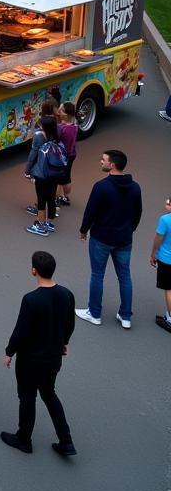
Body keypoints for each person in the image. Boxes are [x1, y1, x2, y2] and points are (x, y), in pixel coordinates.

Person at [0, 251, 77, 456]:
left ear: (34, 270)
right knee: (49, 394)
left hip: (30, 360)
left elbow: (21, 331)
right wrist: (65, 342)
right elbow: (70, 323)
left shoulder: (31, 300)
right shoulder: (67, 294)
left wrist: (9, 352)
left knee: (27, 397)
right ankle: (66, 441)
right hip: (53, 359)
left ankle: (24, 438)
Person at [76, 149, 142, 328]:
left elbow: (91, 211)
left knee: (97, 274)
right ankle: (126, 316)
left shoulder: (101, 186)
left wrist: (84, 230)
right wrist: (129, 230)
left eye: (103, 160)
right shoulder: (135, 187)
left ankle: (94, 313)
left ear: (112, 164)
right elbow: (137, 213)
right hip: (124, 239)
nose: (101, 162)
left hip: (101, 238)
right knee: (125, 276)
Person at [26, 116, 65, 236]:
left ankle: (41, 226)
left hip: (42, 172)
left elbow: (33, 155)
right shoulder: (57, 134)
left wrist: (28, 169)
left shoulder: (39, 136)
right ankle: (50, 223)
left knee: (41, 199)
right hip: (55, 172)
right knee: (51, 197)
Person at [150, 196, 171, 333]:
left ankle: (170, 319)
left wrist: (153, 254)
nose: (167, 202)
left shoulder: (165, 220)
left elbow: (158, 239)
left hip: (167, 259)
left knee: (169, 289)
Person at [55, 101, 78, 206]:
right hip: (71, 154)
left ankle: (58, 197)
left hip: (62, 156)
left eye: (61, 109)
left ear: (66, 114)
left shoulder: (62, 129)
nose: (59, 110)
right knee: (66, 176)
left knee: (60, 178)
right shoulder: (74, 125)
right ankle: (64, 196)